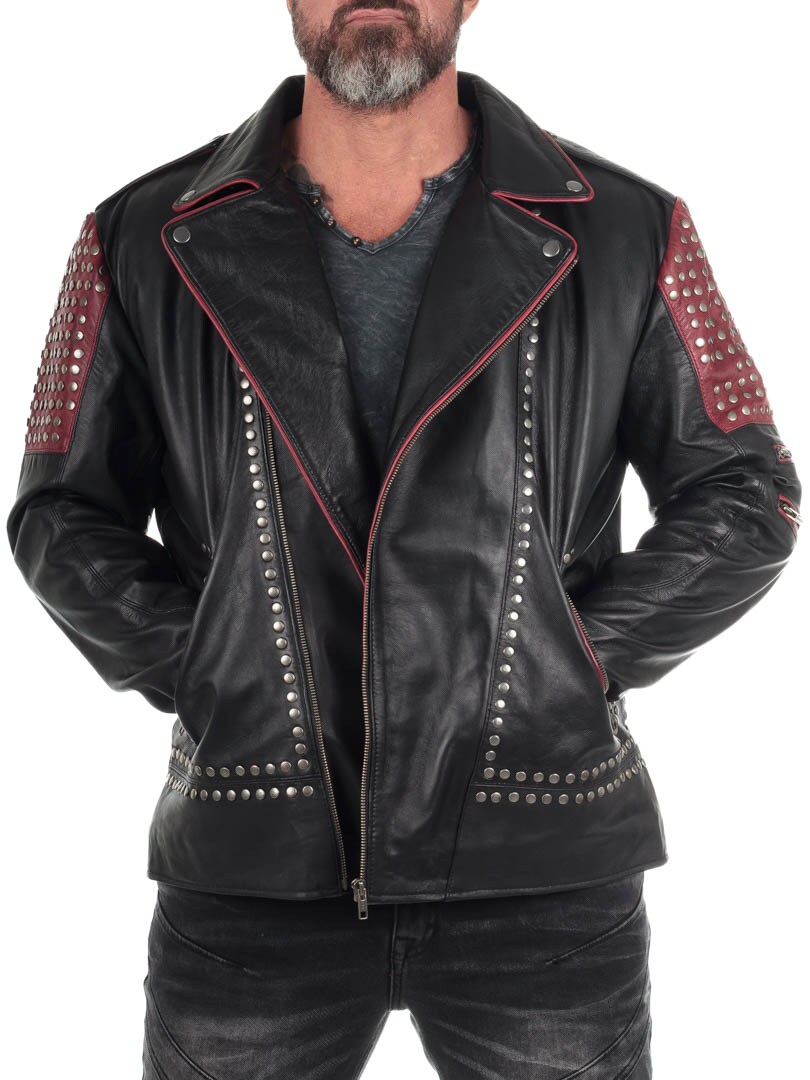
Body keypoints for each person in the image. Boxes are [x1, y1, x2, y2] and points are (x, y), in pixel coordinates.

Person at [7, 1, 802, 1077]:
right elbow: (59, 515)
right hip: (254, 864)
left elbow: (748, 495)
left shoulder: (630, 226)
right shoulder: (139, 235)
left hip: (541, 868)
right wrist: (217, 669)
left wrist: (565, 661)